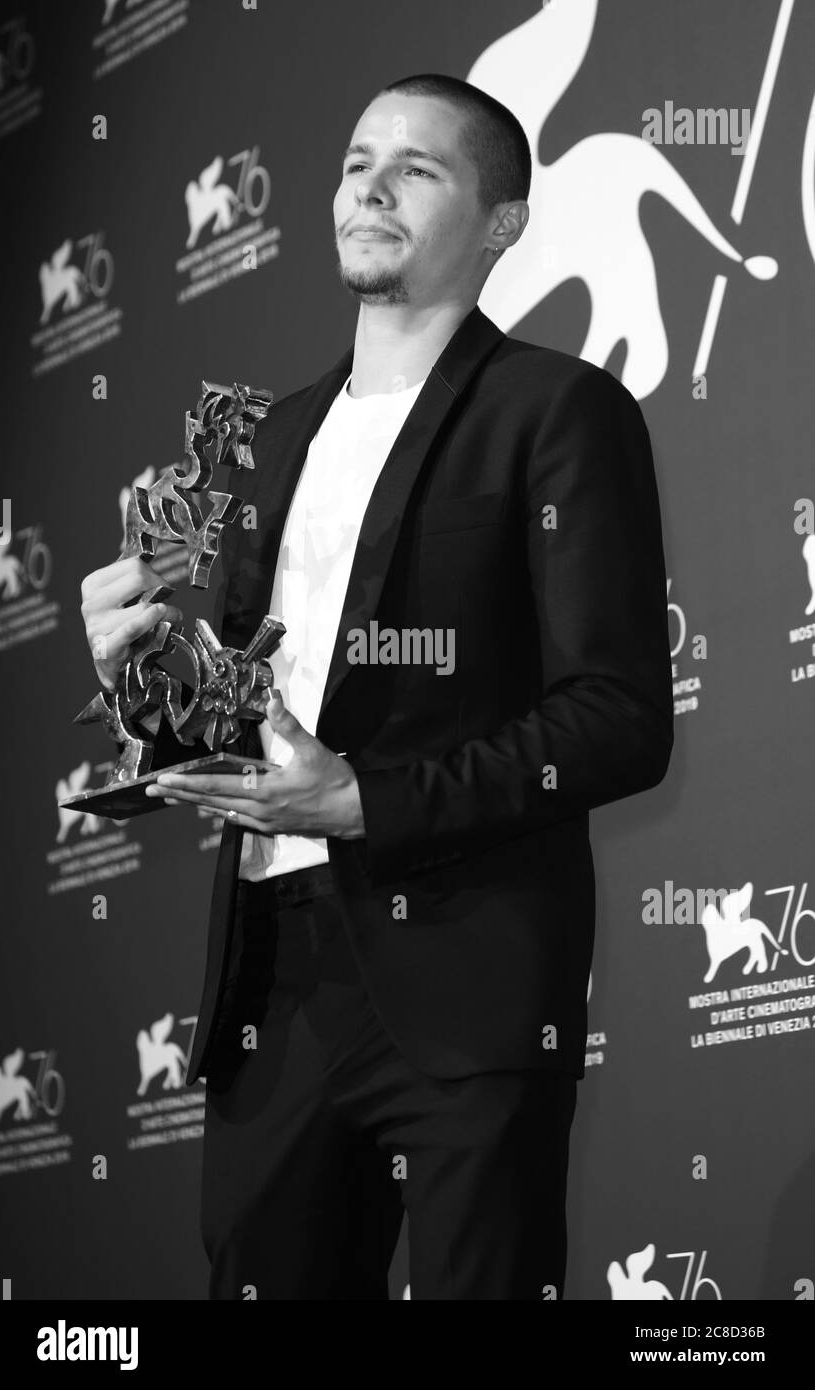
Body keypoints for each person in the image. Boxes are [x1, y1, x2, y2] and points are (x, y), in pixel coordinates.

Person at [79, 74, 674, 1300]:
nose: (370, 185)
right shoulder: (268, 441)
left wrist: (363, 800)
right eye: (357, 161)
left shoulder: (559, 412)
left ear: (502, 223)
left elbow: (616, 720)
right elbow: (242, 715)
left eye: (418, 168)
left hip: (468, 975)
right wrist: (138, 680)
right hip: (271, 981)